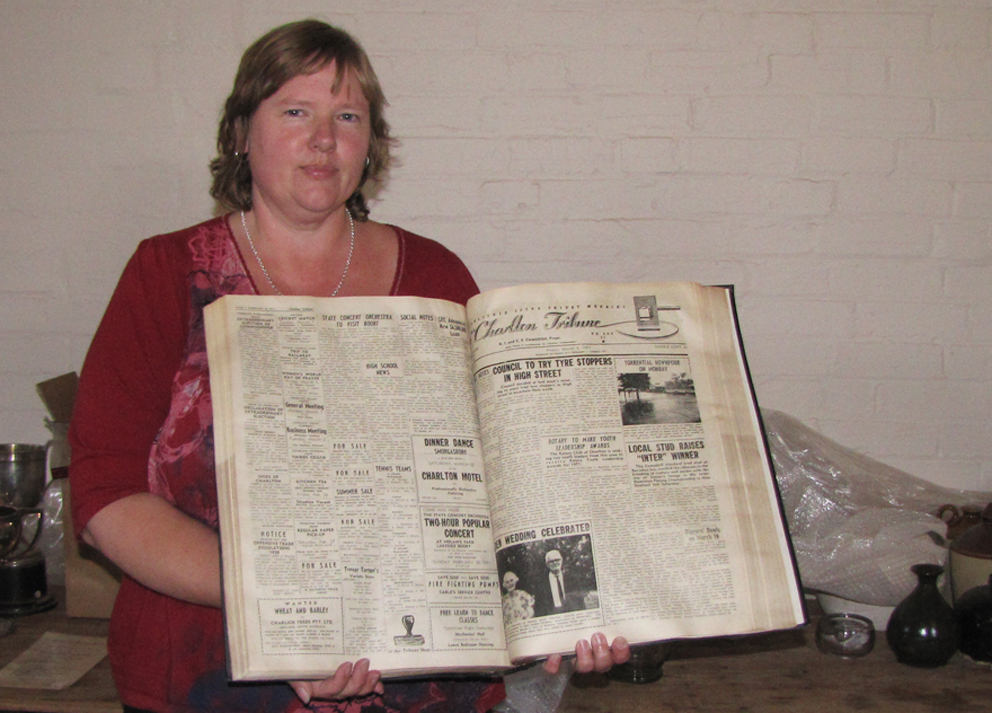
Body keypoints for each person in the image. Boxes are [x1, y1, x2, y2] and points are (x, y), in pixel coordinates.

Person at [68, 19, 628, 713]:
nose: (323, 138)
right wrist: (286, 604)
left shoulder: (436, 273)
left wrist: (568, 606)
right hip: (208, 675)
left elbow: (506, 476)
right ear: (243, 132)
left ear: (371, 144)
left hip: (429, 686)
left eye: (348, 116)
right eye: (295, 111)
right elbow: (103, 497)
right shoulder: (167, 273)